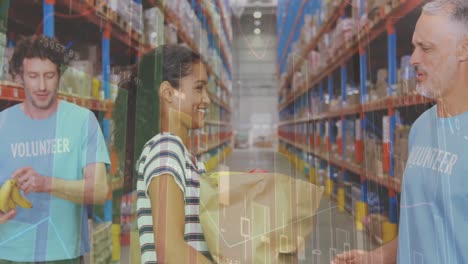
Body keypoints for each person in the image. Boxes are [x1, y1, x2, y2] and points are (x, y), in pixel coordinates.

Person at [331, 0, 468, 263]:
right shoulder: (421, 128)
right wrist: (378, 257)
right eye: (415, 46)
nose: (415, 59)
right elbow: (421, 226)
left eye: (426, 48)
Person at [0, 35, 110, 263]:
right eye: (33, 76)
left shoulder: (82, 121)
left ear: (60, 75)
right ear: (19, 77)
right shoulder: (2, 124)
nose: (42, 86)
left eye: (49, 76)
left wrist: (46, 183)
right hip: (8, 253)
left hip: (63, 254)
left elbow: (100, 190)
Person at [121, 44, 212, 263]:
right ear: (168, 93)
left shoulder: (180, 154)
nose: (207, 100)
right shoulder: (166, 151)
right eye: (199, 88)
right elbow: (170, 251)